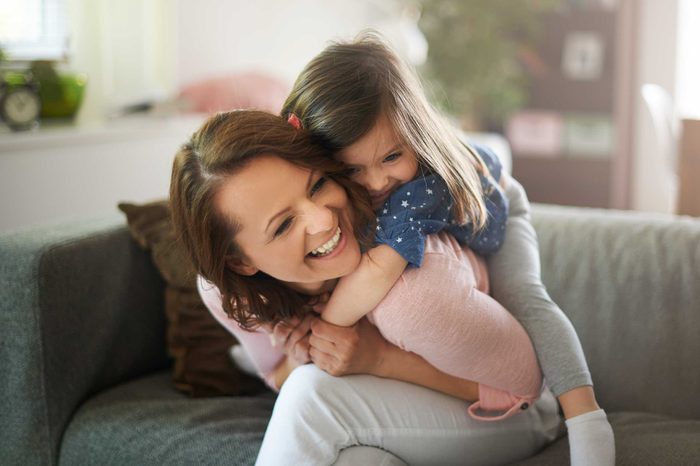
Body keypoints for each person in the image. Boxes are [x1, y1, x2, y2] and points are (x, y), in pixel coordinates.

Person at [280, 32, 615, 466]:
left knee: (525, 297)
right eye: (352, 169)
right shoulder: (351, 188)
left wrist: (320, 333)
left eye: (391, 157)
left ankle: (585, 415)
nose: (378, 181)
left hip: (500, 207)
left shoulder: (418, 187)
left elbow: (379, 270)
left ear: (414, 134)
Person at [170, 109, 562, 465]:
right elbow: (277, 375)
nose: (322, 220)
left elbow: (526, 386)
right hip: (390, 422)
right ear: (240, 262)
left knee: (311, 397)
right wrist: (303, 352)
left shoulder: (410, 281)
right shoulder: (232, 294)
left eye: (318, 185)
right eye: (284, 225)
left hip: (515, 415)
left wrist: (377, 358)